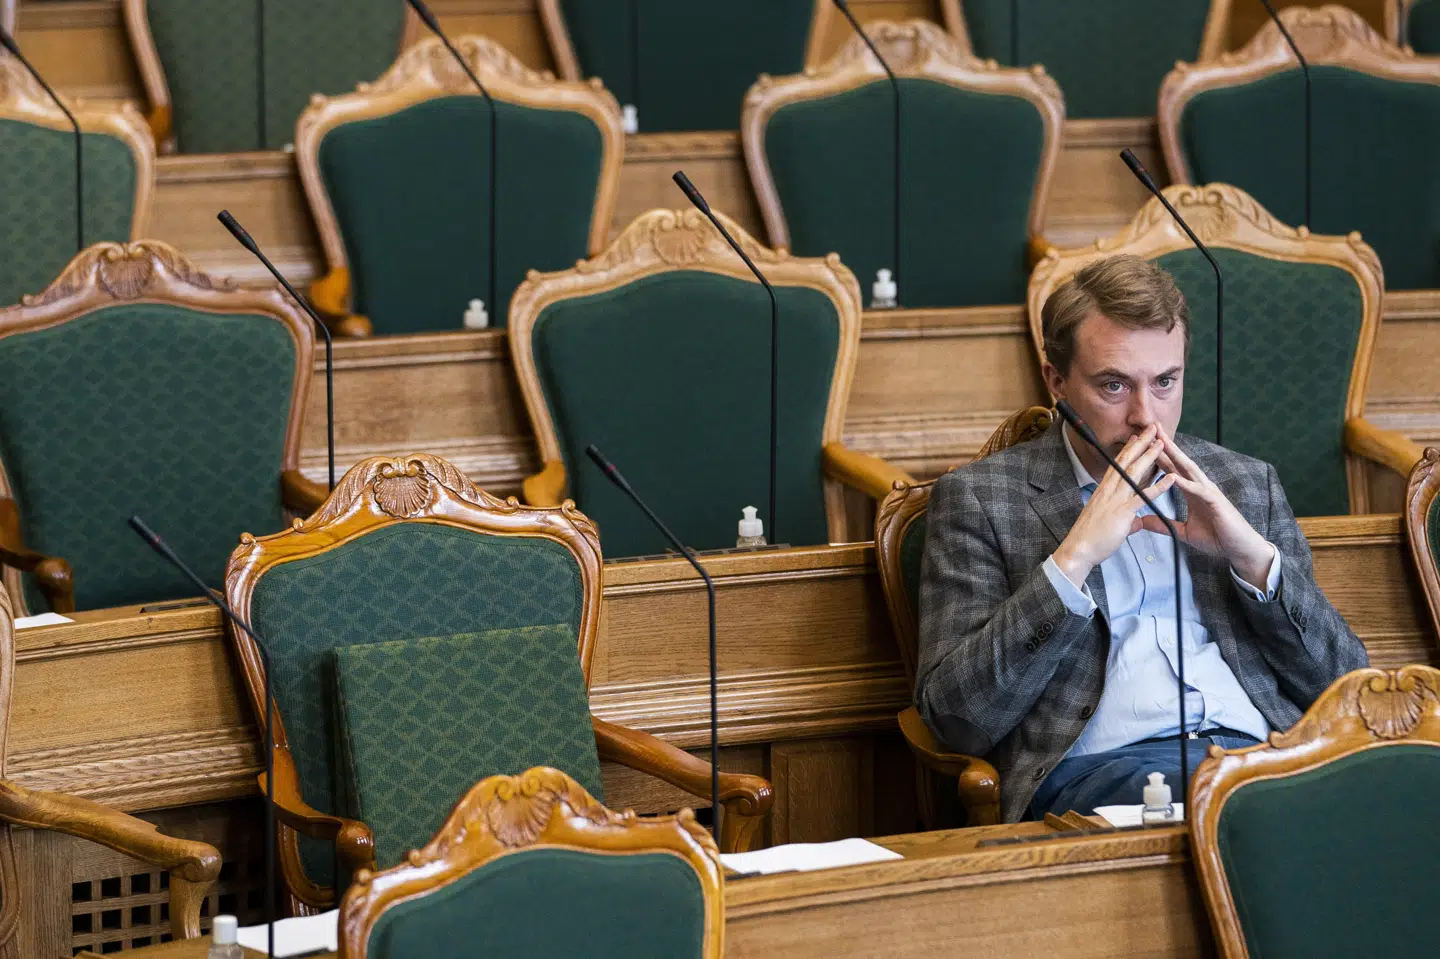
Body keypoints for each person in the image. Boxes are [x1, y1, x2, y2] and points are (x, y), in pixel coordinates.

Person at [916, 254, 1367, 822]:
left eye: (1165, 383)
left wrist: (1252, 561)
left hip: (1260, 758)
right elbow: (956, 717)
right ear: (1057, 381)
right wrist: (1072, 561)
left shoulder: (1244, 484)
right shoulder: (982, 499)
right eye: (1113, 385)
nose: (1144, 416)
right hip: (1103, 774)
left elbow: (1345, 686)